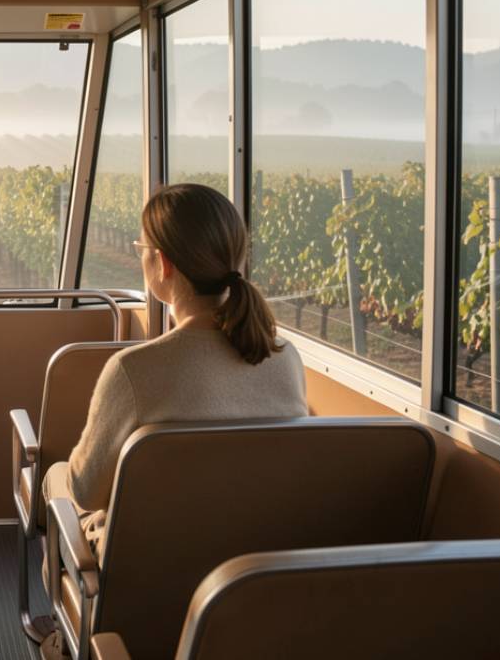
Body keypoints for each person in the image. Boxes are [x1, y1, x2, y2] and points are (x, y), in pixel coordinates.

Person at [39, 183, 305, 656]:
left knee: (57, 482)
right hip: (251, 576)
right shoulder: (286, 359)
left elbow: (85, 490)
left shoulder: (134, 371)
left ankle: (69, 639)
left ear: (162, 264)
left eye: (141, 248)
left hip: (140, 586)